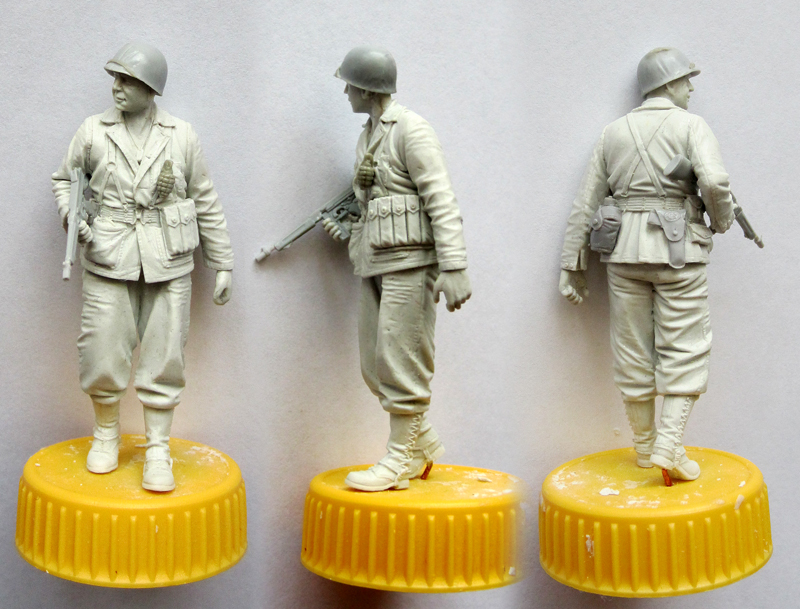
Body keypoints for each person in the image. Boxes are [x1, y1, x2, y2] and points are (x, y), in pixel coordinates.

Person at [52, 42, 234, 492]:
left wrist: (222, 262)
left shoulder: (181, 135)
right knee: (101, 348)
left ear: (150, 89)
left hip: (167, 257)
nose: (116, 87)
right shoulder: (93, 131)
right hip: (108, 253)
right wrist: (72, 215)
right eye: (115, 78)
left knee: (165, 354)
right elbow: (65, 180)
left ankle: (157, 448)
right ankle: (106, 434)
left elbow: (205, 198)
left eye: (127, 80)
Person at [559, 47, 734, 482]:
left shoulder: (613, 132)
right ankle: (668, 446)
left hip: (624, 253)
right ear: (668, 83)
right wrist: (721, 220)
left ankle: (644, 447)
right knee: (686, 348)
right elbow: (714, 181)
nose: (690, 88)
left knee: (632, 351)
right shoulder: (692, 125)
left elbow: (586, 201)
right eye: (686, 80)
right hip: (679, 251)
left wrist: (572, 264)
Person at [323, 46, 472, 491]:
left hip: (411, 262)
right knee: (374, 364)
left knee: (401, 357)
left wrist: (455, 266)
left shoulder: (411, 129)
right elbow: (375, 198)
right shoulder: (368, 134)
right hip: (375, 257)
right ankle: (420, 444)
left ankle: (398, 458)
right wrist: (349, 222)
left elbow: (440, 199)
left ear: (368, 89)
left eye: (351, 85)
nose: (346, 92)